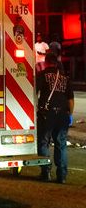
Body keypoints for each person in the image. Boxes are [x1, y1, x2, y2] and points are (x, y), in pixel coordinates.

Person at [36, 52, 74, 183]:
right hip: (63, 114)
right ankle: (62, 176)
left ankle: (46, 172)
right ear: (56, 63)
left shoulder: (42, 75)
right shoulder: (65, 77)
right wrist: (70, 115)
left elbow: (34, 92)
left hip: (47, 114)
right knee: (61, 144)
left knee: (43, 142)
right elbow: (70, 100)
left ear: (46, 62)